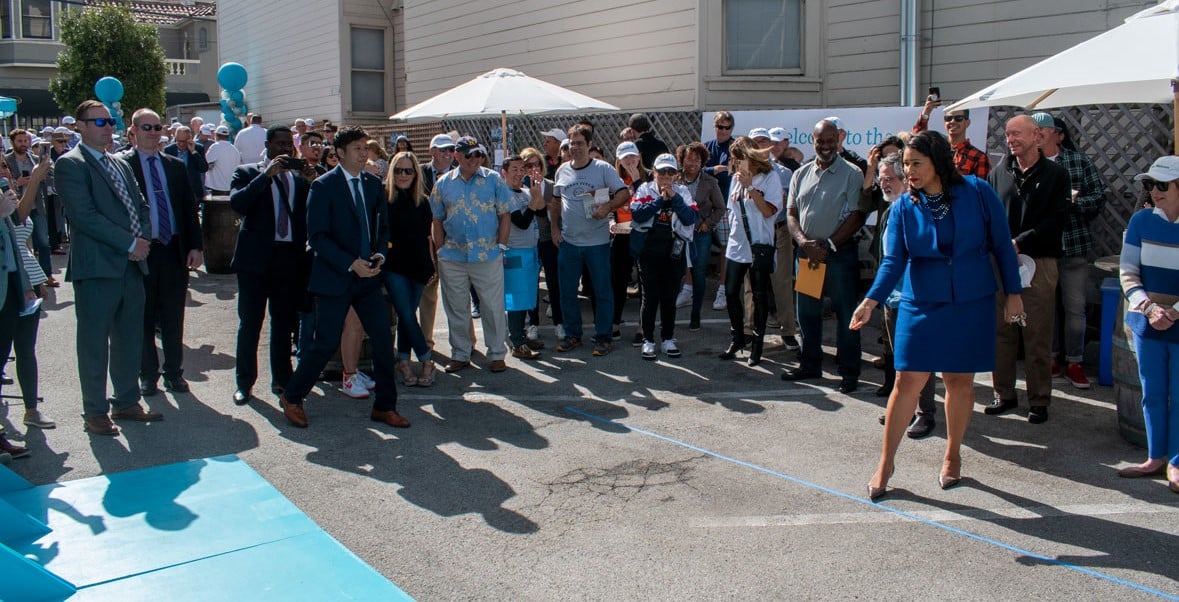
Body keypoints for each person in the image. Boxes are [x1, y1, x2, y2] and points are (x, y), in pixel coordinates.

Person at [850, 130, 1023, 500]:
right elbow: (893, 261)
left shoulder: (978, 192)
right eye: (905, 164)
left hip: (971, 301)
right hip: (920, 303)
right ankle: (886, 463)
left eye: (915, 164)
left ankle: (952, 455)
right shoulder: (902, 207)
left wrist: (1014, 294)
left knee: (959, 381)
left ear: (939, 162)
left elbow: (1002, 247)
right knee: (906, 381)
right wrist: (871, 300)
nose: (907, 171)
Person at [277, 126, 406, 428]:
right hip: (335, 278)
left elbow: (383, 228)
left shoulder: (374, 184)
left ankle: (385, 406)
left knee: (383, 343)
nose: (364, 153)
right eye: (358, 149)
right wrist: (351, 263)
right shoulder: (323, 187)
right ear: (340, 153)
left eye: (365, 148)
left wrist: (380, 255)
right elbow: (317, 237)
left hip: (368, 279)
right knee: (324, 343)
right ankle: (293, 396)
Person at [56, 100, 163, 436]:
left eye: (110, 120)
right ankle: (95, 411)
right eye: (99, 121)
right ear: (81, 126)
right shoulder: (71, 165)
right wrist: (130, 244)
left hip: (132, 266)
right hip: (98, 268)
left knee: (130, 338)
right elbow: (84, 216)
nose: (107, 126)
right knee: (93, 342)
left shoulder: (119, 162)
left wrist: (141, 241)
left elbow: (140, 206)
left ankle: (127, 401)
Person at [985, 114, 1069, 424]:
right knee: (1002, 331)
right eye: (1008, 134)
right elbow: (990, 216)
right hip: (1002, 264)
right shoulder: (999, 173)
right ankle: (1003, 394)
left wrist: (1019, 242)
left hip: (1040, 263)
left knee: (1036, 334)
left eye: (1017, 133)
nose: (1011, 139)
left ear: (1037, 136)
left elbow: (1057, 220)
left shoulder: (1056, 176)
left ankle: (1039, 399)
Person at [119, 108, 204, 396]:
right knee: (142, 315)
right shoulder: (122, 166)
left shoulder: (175, 166)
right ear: (133, 132)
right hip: (140, 252)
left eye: (157, 127)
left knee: (173, 315)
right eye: (147, 128)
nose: (153, 132)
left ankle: (174, 373)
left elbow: (189, 209)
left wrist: (196, 246)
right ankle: (148, 375)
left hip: (173, 249)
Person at [782, 120, 868, 392]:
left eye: (831, 141)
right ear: (813, 140)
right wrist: (804, 243)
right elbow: (791, 213)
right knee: (807, 313)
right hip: (807, 256)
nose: (827, 146)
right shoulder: (801, 173)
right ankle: (810, 365)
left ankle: (849, 373)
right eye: (821, 141)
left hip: (839, 256)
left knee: (846, 316)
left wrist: (829, 244)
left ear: (839, 139)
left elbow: (857, 215)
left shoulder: (852, 173)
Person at [229, 125, 309, 405]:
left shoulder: (298, 179)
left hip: (287, 259)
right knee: (250, 323)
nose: (285, 149)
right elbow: (238, 204)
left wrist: (313, 178)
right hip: (255, 260)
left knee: (283, 323)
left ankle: (283, 381)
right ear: (267, 145)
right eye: (280, 144)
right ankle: (244, 383)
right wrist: (266, 176)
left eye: (289, 144)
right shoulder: (248, 172)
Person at [1031, 112, 1106, 390]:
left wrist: (1071, 204)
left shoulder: (1078, 161)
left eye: (1043, 129)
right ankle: (1050, 359)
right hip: (1041, 249)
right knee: (1045, 308)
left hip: (1073, 245)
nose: (1036, 133)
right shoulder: (1027, 163)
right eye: (1033, 129)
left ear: (1059, 135)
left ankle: (1074, 362)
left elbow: (1099, 197)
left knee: (1075, 308)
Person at [1117, 156, 1179, 491]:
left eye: (1163, 185)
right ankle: (1155, 457)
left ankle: (1177, 461)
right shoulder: (1140, 221)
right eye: (1150, 185)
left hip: (1175, 321)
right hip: (1147, 322)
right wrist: (1149, 307)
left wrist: (1175, 310)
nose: (1155, 191)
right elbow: (1127, 272)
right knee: (1152, 393)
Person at [430, 137, 513, 373]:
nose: (475, 159)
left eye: (478, 154)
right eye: (469, 155)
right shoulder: (443, 183)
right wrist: (440, 250)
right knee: (456, 307)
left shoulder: (494, 179)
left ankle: (497, 354)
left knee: (492, 306)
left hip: (487, 255)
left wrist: (501, 246)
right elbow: (437, 219)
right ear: (457, 157)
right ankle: (460, 353)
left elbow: (505, 214)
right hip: (453, 256)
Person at [551, 124, 632, 357]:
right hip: (569, 242)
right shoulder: (562, 170)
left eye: (579, 143)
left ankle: (603, 337)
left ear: (588, 144)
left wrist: (607, 207)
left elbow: (624, 193)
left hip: (597, 243)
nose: (574, 147)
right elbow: (556, 202)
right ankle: (573, 335)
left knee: (602, 291)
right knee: (567, 292)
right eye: (571, 143)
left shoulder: (602, 169)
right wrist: (555, 229)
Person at [717, 137, 781, 366]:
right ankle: (737, 338)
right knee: (732, 291)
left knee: (759, 295)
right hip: (737, 244)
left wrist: (751, 187)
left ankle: (757, 344)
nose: (736, 163)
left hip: (759, 244)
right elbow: (731, 210)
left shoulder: (770, 177)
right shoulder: (735, 179)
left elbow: (768, 211)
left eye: (739, 158)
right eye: (734, 159)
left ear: (751, 156)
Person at [1, 152, 54, 430]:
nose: (5, 171)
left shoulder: (6, 196)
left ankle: (31, 410)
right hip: (6, 288)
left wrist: (34, 179)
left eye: (4, 165)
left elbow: (21, 220)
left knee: (26, 349)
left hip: (25, 284)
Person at [630, 153, 697, 360]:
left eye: (671, 172)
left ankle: (668, 338)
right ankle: (648, 339)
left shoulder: (682, 192)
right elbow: (637, 213)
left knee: (669, 298)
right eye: (662, 172)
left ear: (676, 174)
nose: (666, 176)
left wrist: (674, 198)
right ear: (654, 172)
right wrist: (660, 200)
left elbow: (690, 218)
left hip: (674, 253)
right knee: (649, 298)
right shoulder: (644, 189)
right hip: (649, 252)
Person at [383, 151, 436, 386]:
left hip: (419, 265)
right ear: (391, 172)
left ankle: (403, 361)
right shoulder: (382, 198)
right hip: (393, 265)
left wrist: (433, 264)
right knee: (405, 313)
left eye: (408, 170)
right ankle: (426, 360)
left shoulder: (423, 201)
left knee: (408, 317)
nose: (403, 175)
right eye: (398, 170)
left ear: (416, 173)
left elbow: (428, 237)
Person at [501, 155, 547, 359]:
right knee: (515, 300)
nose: (519, 173)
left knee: (527, 297)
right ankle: (516, 341)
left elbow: (542, 213)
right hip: (514, 253)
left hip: (530, 252)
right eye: (514, 169)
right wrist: (534, 202)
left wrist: (538, 194)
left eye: (522, 169)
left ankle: (520, 335)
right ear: (504, 172)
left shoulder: (527, 192)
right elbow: (521, 221)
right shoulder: (504, 194)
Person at [674, 142, 724, 331]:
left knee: (699, 272)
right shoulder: (674, 179)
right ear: (682, 160)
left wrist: (707, 223)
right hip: (678, 232)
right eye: (689, 159)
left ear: (703, 162)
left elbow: (720, 208)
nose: (692, 163)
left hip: (700, 233)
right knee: (675, 270)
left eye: (697, 160)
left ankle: (696, 314)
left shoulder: (710, 182)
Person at [522, 146, 563, 340]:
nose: (533, 168)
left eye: (536, 163)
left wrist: (545, 203)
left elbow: (558, 211)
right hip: (528, 241)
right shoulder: (520, 187)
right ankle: (533, 324)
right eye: (528, 165)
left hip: (548, 239)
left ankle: (559, 322)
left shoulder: (552, 185)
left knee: (554, 283)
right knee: (531, 283)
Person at [5, 129, 55, 285]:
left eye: (26, 141)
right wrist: (18, 182)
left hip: (36, 206)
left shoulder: (36, 160)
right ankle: (27, 279)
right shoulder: (6, 161)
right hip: (15, 207)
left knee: (43, 242)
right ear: (13, 142)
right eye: (20, 141)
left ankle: (47, 275)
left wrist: (43, 172)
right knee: (22, 244)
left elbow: (50, 180)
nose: (23, 144)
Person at [612, 141, 645, 343]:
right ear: (619, 160)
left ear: (639, 157)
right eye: (625, 157)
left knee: (644, 282)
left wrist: (638, 180)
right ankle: (615, 322)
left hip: (642, 234)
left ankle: (643, 326)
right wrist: (609, 221)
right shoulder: (613, 179)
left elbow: (652, 201)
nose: (629, 160)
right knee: (617, 280)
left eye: (632, 156)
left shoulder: (649, 177)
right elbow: (604, 203)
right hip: (621, 234)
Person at [913, 95, 990, 178]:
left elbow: (981, 189)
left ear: (967, 123)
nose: (952, 121)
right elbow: (917, 141)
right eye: (948, 118)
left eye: (958, 118)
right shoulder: (937, 148)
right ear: (944, 122)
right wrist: (926, 112)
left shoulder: (978, 157)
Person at [705, 111, 735, 311]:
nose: (723, 131)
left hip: (725, 206)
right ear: (714, 127)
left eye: (727, 127)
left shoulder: (735, 148)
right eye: (720, 127)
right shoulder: (706, 147)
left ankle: (723, 289)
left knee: (726, 249)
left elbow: (736, 173)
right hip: (705, 206)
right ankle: (688, 288)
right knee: (696, 246)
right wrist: (712, 171)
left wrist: (720, 173)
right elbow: (692, 170)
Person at [163, 125, 209, 202]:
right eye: (178, 141)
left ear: (189, 139)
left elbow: (203, 168)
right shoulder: (169, 150)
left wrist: (193, 152)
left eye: (183, 141)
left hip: (193, 192)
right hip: (175, 191)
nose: (181, 144)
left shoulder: (198, 148)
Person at [204, 125, 241, 195]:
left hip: (216, 187)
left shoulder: (215, 147)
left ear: (216, 135)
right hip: (231, 187)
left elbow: (206, 162)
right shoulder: (234, 149)